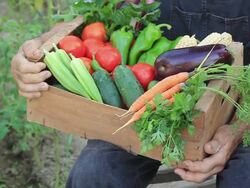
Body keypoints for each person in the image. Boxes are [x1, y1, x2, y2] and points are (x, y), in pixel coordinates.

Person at [11, 0, 250, 187]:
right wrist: (39, 47)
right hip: (151, 101)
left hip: (243, 106)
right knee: (94, 175)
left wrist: (237, 130)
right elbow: (93, 12)